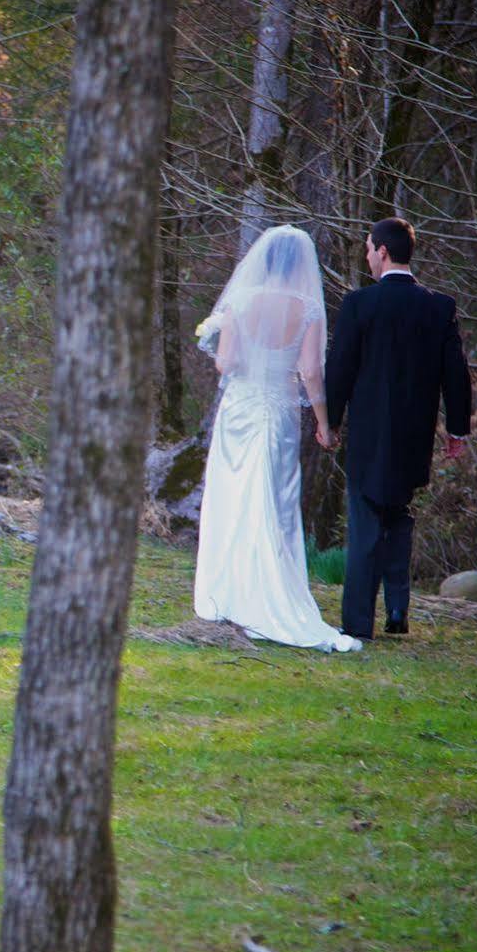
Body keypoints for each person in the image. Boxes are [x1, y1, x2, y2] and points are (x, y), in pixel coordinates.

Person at [193, 225, 359, 652]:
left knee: (234, 495)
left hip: (239, 410)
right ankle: (268, 591)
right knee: (274, 500)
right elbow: (309, 373)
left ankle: (227, 592)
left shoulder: (241, 301)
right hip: (278, 410)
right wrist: (324, 423)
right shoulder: (307, 308)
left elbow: (225, 363)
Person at [324, 216, 472, 639]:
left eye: (369, 248)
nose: (367, 255)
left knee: (366, 523)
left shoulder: (359, 304)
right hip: (414, 435)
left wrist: (329, 422)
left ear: (383, 251)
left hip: (370, 435)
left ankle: (357, 625)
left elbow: (340, 369)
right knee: (399, 517)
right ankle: (397, 611)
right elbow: (456, 373)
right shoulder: (439, 306)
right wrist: (457, 429)